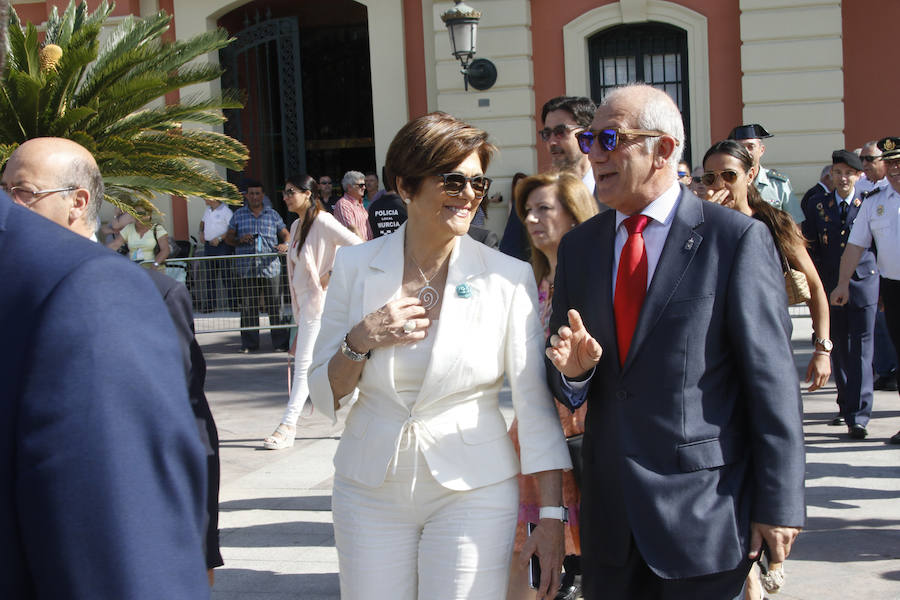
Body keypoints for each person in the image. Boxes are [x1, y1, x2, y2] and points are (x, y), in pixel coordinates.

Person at [546, 84, 806, 599]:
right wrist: (574, 374)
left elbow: (772, 384)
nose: (593, 153)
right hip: (611, 520)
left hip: (704, 513)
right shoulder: (580, 248)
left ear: (663, 149)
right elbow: (559, 369)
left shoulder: (734, 240)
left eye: (609, 139)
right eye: (589, 140)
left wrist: (779, 504)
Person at [308, 112, 572, 600]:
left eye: (478, 182)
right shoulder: (355, 265)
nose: (469, 194)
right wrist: (361, 338)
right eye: (453, 180)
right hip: (368, 488)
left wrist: (553, 517)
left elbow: (535, 407)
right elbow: (325, 392)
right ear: (406, 185)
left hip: (474, 489)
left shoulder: (507, 277)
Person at [0, 137, 210, 598]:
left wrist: (203, 537)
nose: (12, 205)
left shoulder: (101, 288)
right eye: (6, 189)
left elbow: (182, 416)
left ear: (77, 201)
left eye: (24, 192)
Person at [506, 172, 598, 600]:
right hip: (537, 434)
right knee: (532, 562)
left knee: (577, 559)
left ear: (575, 216)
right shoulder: (537, 280)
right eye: (527, 210)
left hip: (580, 434)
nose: (531, 219)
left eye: (544, 208)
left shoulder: (593, 278)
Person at [704, 140, 831, 395]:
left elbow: (815, 287)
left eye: (729, 175)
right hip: (714, 352)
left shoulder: (774, 223)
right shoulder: (701, 225)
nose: (720, 184)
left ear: (750, 175)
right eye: (710, 178)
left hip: (768, 347)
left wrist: (822, 349)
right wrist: (708, 222)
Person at [262, 174, 361, 450]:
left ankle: (288, 425)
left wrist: (331, 273)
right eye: (284, 192)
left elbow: (358, 246)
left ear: (308, 193)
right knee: (326, 362)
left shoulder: (323, 221)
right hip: (306, 305)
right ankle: (365, 410)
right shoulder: (296, 225)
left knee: (305, 364)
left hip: (321, 303)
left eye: (291, 191)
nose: (285, 197)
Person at [802, 150, 877, 438]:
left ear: (858, 176)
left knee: (862, 350)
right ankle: (846, 406)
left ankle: (859, 415)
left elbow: (877, 246)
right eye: (838, 173)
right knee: (840, 349)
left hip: (864, 283)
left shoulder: (868, 202)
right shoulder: (818, 205)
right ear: (830, 176)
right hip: (831, 285)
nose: (843, 178)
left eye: (849, 173)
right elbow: (811, 246)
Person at [831, 136, 900, 444]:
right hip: (893, 287)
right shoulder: (875, 201)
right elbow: (855, 245)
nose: (895, 170)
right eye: (891, 164)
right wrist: (843, 282)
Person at [225, 179, 291, 353]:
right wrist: (239, 239)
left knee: (275, 306)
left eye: (258, 193)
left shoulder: (272, 215)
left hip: (270, 267)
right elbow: (228, 238)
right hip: (246, 268)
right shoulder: (238, 215)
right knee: (248, 307)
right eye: (251, 193)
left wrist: (285, 245)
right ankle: (249, 344)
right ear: (246, 196)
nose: (254, 197)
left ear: (263, 195)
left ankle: (280, 343)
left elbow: (286, 234)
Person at [728, 124, 795, 216]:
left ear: (761, 150)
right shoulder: (727, 183)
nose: (746, 151)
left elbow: (794, 222)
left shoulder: (779, 185)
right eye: (741, 147)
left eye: (751, 146)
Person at [199, 197, 235, 312]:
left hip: (222, 246)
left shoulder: (226, 211)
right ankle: (210, 305)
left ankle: (234, 304)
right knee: (210, 276)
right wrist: (201, 232)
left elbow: (232, 229)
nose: (204, 199)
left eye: (206, 197)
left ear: (213, 198)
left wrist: (219, 238)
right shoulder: (207, 210)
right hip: (209, 246)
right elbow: (202, 222)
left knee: (226, 276)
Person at [105, 204, 170, 266]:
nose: (138, 217)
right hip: (136, 267)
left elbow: (165, 250)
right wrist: (101, 252)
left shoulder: (157, 229)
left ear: (149, 215)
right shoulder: (129, 228)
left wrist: (155, 264)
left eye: (142, 214)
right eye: (135, 213)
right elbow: (115, 245)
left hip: (154, 267)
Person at [334, 170, 374, 240]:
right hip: (358, 246)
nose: (364, 187)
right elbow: (352, 230)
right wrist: (366, 245)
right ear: (349, 187)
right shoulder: (343, 204)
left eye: (364, 185)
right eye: (361, 185)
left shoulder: (360, 204)